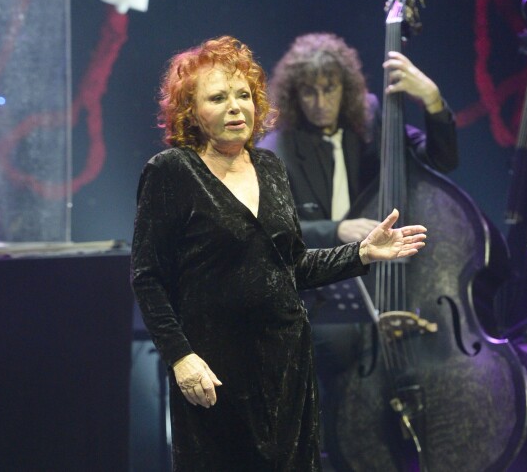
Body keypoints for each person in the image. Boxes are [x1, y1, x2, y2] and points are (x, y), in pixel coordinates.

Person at [130, 35, 427, 472]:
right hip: (214, 373)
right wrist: (180, 356)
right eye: (218, 97)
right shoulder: (171, 172)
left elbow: (290, 268)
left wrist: (361, 253)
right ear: (191, 112)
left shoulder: (270, 168)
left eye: (244, 95)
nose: (236, 107)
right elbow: (147, 276)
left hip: (288, 366)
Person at [258, 32, 458, 465]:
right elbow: (271, 229)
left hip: (394, 283)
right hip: (326, 291)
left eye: (329, 88)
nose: (319, 101)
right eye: (308, 91)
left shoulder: (373, 118)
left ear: (346, 88)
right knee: (338, 345)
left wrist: (434, 101)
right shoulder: (278, 147)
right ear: (294, 95)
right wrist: (337, 230)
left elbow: (441, 161)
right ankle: (347, 451)